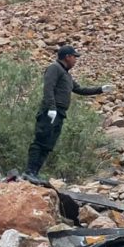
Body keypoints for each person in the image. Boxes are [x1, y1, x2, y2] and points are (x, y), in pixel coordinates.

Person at [24, 45, 112, 178]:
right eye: (74, 57)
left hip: (60, 113)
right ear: (67, 57)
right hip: (50, 112)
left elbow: (80, 90)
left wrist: (101, 89)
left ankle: (35, 173)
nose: (76, 60)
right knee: (40, 141)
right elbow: (48, 88)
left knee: (48, 144)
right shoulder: (54, 68)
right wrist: (51, 108)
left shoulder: (66, 75)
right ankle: (29, 172)